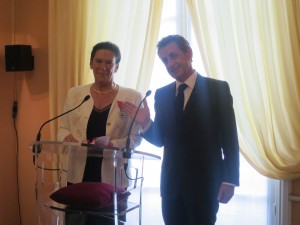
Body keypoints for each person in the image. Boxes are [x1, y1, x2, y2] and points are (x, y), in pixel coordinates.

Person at [122, 34, 240, 225]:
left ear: (189, 53)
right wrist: (145, 123)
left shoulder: (217, 89)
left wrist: (230, 179)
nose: (170, 63)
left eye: (173, 55)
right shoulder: (161, 94)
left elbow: (229, 139)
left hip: (205, 185)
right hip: (171, 187)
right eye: (164, 60)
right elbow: (161, 140)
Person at [57, 41, 143, 224]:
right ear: (91, 64)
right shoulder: (76, 94)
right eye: (98, 61)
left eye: (109, 62)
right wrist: (67, 137)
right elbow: (63, 127)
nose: (103, 67)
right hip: (78, 177)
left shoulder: (133, 97)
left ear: (117, 66)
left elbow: (136, 138)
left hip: (112, 180)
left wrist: (113, 144)